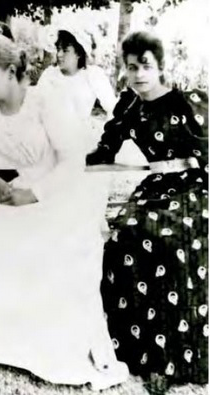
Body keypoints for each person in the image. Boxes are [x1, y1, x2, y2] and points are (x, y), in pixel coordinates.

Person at [0, 34, 129, 390]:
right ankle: (4, 344)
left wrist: (34, 194)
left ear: (12, 71)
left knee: (47, 253)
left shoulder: (45, 102)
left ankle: (47, 346)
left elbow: (72, 162)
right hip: (18, 190)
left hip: (62, 191)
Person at [86, 31, 208, 392]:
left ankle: (177, 358)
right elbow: (106, 146)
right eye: (132, 67)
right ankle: (140, 353)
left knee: (173, 242)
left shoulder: (188, 103)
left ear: (161, 68)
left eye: (146, 67)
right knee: (124, 238)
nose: (139, 74)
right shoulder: (129, 106)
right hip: (154, 189)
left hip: (192, 187)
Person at [36, 26, 117, 153]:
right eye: (58, 49)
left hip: (80, 138)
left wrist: (108, 137)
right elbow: (36, 107)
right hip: (50, 137)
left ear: (79, 53)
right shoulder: (50, 75)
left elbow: (113, 108)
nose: (59, 54)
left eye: (65, 50)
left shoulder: (92, 75)